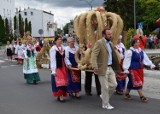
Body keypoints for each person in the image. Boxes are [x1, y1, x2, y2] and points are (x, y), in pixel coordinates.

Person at [91, 27, 120, 110]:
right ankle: (105, 104)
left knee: (114, 84)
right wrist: (94, 65)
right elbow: (94, 55)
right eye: (109, 34)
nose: (111, 35)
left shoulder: (110, 43)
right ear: (104, 35)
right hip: (102, 68)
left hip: (110, 67)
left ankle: (103, 96)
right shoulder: (99, 43)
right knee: (105, 87)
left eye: (111, 34)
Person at [123, 38, 155, 103]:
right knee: (137, 81)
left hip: (139, 69)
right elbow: (126, 60)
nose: (138, 43)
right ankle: (142, 96)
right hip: (132, 69)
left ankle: (126, 94)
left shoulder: (141, 51)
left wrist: (150, 64)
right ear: (133, 44)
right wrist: (125, 69)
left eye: (138, 42)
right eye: (137, 42)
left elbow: (145, 59)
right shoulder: (130, 51)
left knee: (132, 82)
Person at [50, 35, 68, 102]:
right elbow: (53, 60)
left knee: (63, 81)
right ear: (55, 41)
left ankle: (60, 94)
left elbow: (65, 58)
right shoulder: (53, 49)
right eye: (58, 39)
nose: (60, 40)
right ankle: (60, 96)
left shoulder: (64, 48)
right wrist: (53, 70)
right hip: (57, 67)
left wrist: (68, 64)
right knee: (59, 81)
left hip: (63, 66)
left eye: (60, 39)